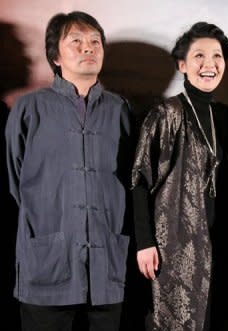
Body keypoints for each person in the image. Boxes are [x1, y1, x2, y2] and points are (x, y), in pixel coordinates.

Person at [5, 11, 133, 331]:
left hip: (107, 267)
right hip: (47, 264)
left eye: (94, 42)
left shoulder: (121, 109)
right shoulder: (28, 108)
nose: (87, 48)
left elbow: (131, 182)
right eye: (75, 41)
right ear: (55, 57)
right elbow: (13, 179)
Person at [131, 22, 228, 331]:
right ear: (182, 64)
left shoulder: (226, 116)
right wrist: (144, 242)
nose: (210, 65)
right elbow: (138, 178)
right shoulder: (166, 114)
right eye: (199, 56)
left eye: (217, 56)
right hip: (175, 246)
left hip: (220, 244)